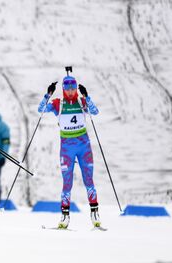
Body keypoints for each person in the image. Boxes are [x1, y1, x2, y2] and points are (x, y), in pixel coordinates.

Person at [37, 75, 101, 229]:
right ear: (64, 89)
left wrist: (87, 96)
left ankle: (95, 214)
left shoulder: (81, 101)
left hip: (83, 146)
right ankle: (64, 217)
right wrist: (48, 94)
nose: (71, 91)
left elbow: (95, 112)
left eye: (73, 88)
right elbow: (41, 109)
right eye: (67, 88)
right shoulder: (59, 103)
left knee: (89, 180)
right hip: (67, 148)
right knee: (67, 183)